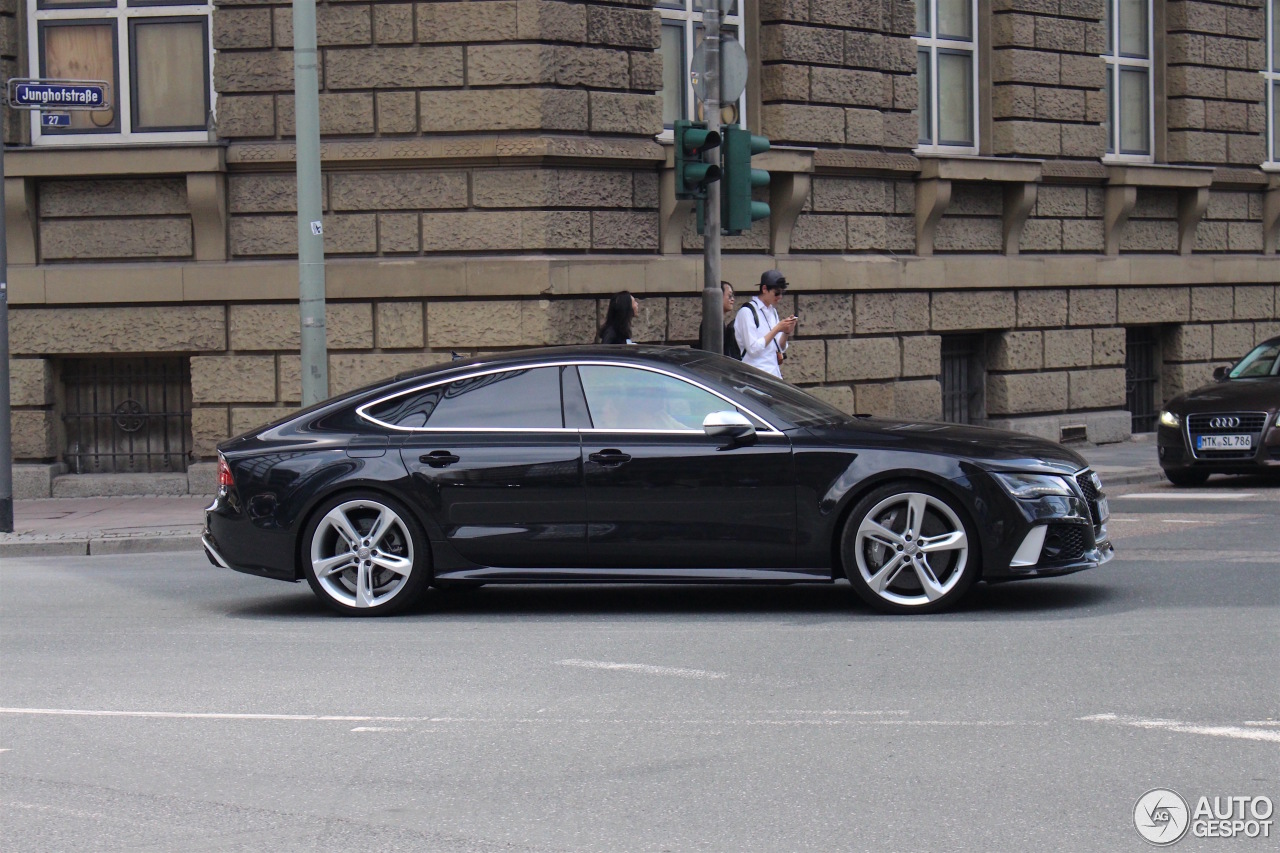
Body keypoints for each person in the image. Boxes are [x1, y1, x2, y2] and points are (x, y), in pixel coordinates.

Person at [734, 270, 796, 378]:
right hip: (754, 377)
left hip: (774, 375)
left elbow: (779, 348)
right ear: (764, 289)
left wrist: (786, 332)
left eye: (782, 293)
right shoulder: (747, 312)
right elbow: (753, 349)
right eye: (777, 293)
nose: (780, 297)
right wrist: (777, 329)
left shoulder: (773, 312)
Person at [699, 281, 742, 359]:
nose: (732, 299)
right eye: (729, 295)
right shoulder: (713, 322)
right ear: (718, 296)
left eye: (732, 296)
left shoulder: (717, 320)